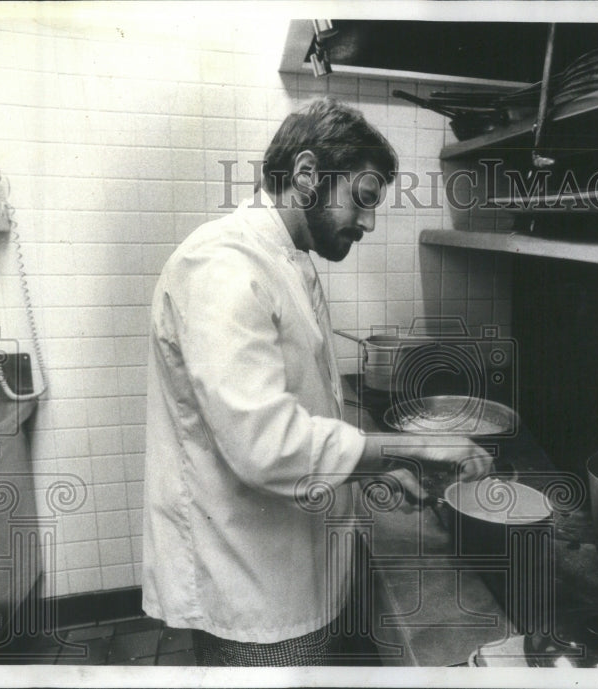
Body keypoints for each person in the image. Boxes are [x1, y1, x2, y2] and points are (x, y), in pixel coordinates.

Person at [142, 97, 491, 666]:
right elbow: (266, 445)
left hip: (296, 568)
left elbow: (307, 408)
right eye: (363, 197)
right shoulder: (222, 266)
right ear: (306, 175)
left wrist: (382, 467)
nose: (370, 222)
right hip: (255, 597)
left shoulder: (287, 260)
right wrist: (414, 444)